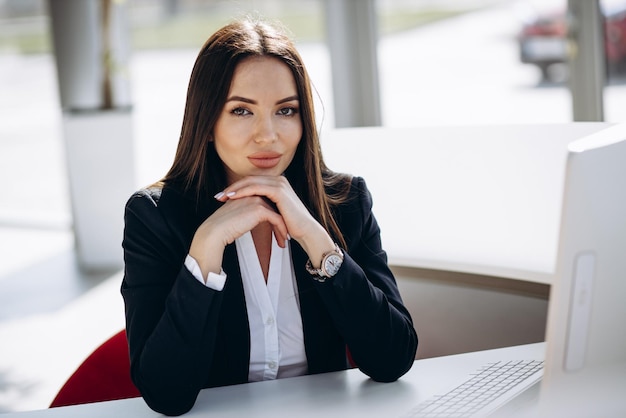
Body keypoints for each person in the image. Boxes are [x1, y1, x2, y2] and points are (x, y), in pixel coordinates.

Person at [121, 17, 418, 416]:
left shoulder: (346, 204)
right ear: (206, 123)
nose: (267, 135)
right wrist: (206, 248)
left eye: (286, 110)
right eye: (242, 111)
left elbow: (392, 359)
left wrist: (317, 240)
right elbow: (166, 394)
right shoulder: (155, 217)